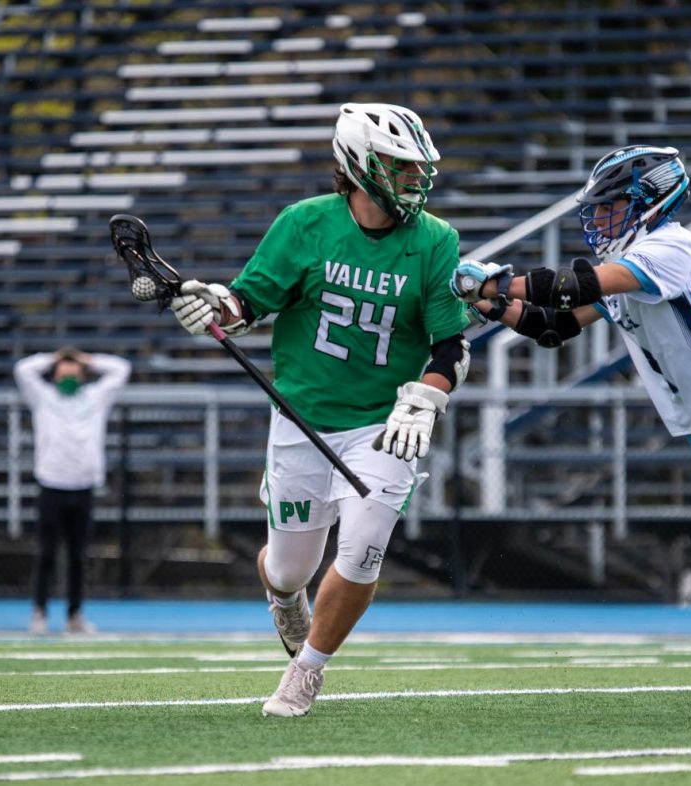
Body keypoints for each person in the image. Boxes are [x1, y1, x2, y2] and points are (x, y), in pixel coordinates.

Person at [451, 145, 691, 713]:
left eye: (613, 205)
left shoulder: (668, 249)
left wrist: (501, 280)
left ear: (650, 200)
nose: (601, 218)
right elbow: (554, 326)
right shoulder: (632, 262)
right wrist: (493, 306)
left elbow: (573, 288)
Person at [171, 102, 470, 717]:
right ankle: (284, 599)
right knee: (288, 568)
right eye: (400, 165)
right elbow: (248, 304)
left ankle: (306, 672)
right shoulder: (305, 224)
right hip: (302, 419)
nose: (415, 178)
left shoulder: (435, 241)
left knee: (362, 548)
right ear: (360, 164)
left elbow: (451, 346)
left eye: (419, 167)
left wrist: (427, 398)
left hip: (384, 426)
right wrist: (212, 306)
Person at [14, 347, 131, 635]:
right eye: (63, 372)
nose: (68, 376)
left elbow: (121, 368)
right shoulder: (44, 398)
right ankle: (39, 612)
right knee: (46, 553)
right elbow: (23, 369)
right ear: (54, 375)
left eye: (74, 372)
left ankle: (74, 615)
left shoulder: (94, 397)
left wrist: (86, 359)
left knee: (78, 556)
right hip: (51, 485)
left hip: (83, 487)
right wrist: (54, 358)